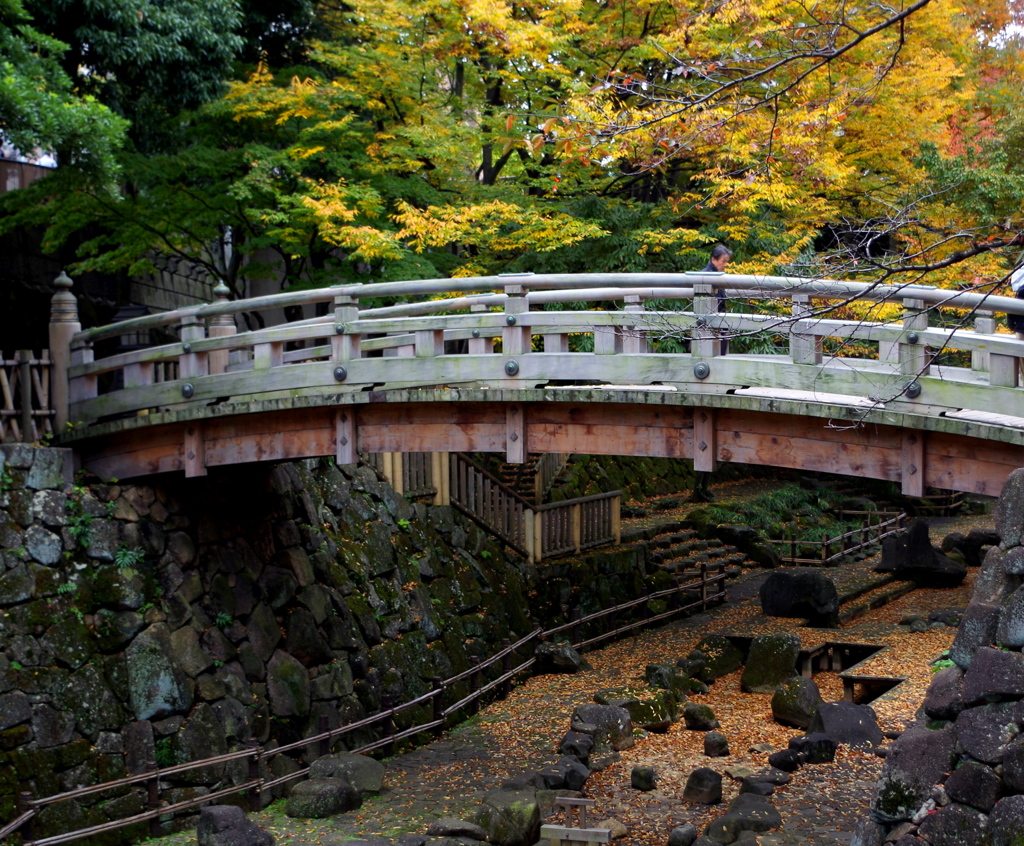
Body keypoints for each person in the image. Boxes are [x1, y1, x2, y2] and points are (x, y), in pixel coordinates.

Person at [701, 244, 732, 355]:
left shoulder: (716, 275)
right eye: (723, 261)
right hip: (710, 320)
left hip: (716, 319)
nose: (725, 265)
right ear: (713, 259)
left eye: (726, 261)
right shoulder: (705, 276)